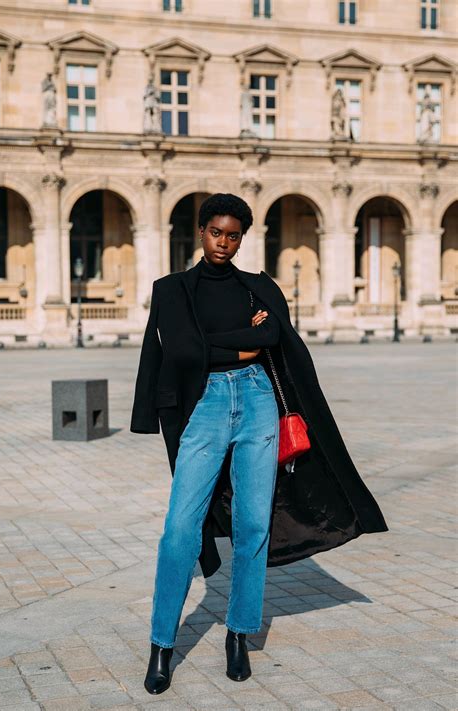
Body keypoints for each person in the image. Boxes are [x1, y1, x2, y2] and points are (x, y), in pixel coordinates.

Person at [130, 193, 389, 695]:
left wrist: (217, 341)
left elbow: (271, 336)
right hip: (203, 409)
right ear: (200, 231)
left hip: (257, 401)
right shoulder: (172, 290)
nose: (223, 242)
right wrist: (236, 340)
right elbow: (182, 348)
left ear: (242, 237)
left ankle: (238, 633)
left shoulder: (260, 287)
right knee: (180, 527)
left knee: (252, 524)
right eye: (215, 232)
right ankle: (162, 643)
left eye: (233, 235)